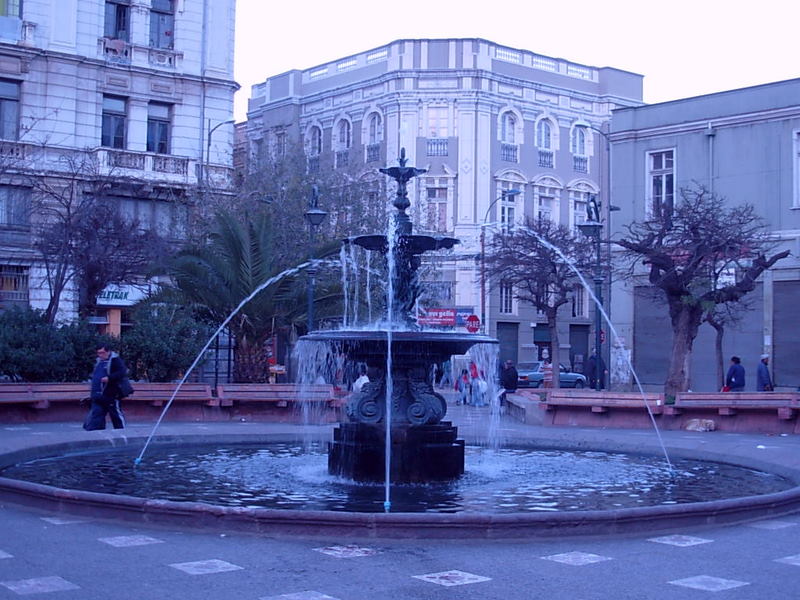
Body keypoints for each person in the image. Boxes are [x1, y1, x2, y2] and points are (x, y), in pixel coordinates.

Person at [83, 343, 127, 431]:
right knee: (96, 416)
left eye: (102, 353)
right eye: (98, 353)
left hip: (111, 395)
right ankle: (96, 434)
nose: (100, 355)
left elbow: (122, 372)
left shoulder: (115, 360)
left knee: (116, 416)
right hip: (98, 396)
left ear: (108, 351)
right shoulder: (98, 361)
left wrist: (109, 378)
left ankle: (122, 433)